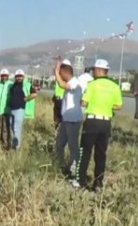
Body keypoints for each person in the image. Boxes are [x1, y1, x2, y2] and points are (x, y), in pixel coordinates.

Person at [73, 59, 123, 191]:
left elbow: (83, 103)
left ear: (99, 70)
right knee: (101, 154)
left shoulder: (92, 85)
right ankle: (98, 183)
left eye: (94, 70)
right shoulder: (114, 86)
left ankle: (80, 181)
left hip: (92, 122)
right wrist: (107, 105)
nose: (93, 72)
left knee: (85, 152)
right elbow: (119, 106)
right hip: (105, 123)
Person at [53, 59, 85, 178]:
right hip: (66, 120)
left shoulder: (74, 83)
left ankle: (74, 169)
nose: (59, 77)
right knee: (59, 144)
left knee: (73, 146)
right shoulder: (71, 83)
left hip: (73, 121)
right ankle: (60, 165)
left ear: (66, 72)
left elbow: (61, 84)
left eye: (61, 74)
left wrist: (56, 71)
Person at [7, 69, 37, 150]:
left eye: (20, 76)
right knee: (12, 128)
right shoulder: (13, 86)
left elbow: (34, 94)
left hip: (20, 110)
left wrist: (26, 99)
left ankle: (16, 149)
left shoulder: (27, 85)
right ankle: (14, 145)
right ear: (15, 77)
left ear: (23, 77)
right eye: (17, 76)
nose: (19, 78)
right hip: (12, 110)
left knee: (17, 129)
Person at [0, 69, 13, 148]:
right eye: (2, 75)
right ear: (1, 76)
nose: (4, 77)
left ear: (8, 76)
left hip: (6, 110)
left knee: (5, 128)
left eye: (5, 76)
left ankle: (5, 144)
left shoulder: (11, 85)